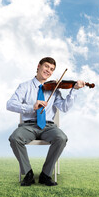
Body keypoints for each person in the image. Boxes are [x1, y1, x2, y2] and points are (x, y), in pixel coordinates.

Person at [7, 57, 85, 186]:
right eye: (46, 67)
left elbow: (65, 107)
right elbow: (10, 104)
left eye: (52, 69)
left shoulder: (54, 89)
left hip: (48, 126)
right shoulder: (24, 86)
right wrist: (31, 107)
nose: (48, 71)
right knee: (15, 138)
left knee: (61, 138)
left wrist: (74, 90)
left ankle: (45, 174)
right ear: (39, 66)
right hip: (28, 126)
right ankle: (28, 173)